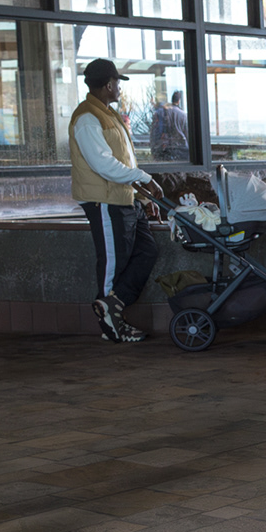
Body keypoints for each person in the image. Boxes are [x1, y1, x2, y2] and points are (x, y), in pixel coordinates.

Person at [71, 58, 160, 344]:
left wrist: (142, 197)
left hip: (124, 198)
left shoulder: (106, 113)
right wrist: (145, 178)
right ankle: (113, 324)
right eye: (118, 82)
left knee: (146, 252)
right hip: (104, 201)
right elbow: (103, 164)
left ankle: (113, 305)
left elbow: (121, 161)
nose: (120, 87)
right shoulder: (87, 117)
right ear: (109, 84)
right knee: (113, 263)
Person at [149, 90, 188, 161]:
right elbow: (187, 133)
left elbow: (155, 131)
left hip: (167, 148)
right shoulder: (183, 115)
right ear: (179, 101)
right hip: (180, 148)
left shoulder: (163, 113)